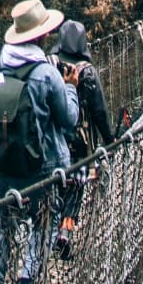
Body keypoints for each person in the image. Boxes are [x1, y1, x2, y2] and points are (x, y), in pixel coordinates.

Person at [0, 0, 79, 284]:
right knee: (45, 223)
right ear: (42, 35)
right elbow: (68, 120)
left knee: (0, 226)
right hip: (40, 167)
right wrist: (71, 88)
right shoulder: (46, 73)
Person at [51, 19, 115, 259]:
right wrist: (110, 139)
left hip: (53, 136)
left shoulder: (50, 65)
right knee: (75, 186)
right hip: (80, 139)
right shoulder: (87, 71)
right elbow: (99, 111)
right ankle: (65, 231)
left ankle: (50, 232)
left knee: (55, 185)